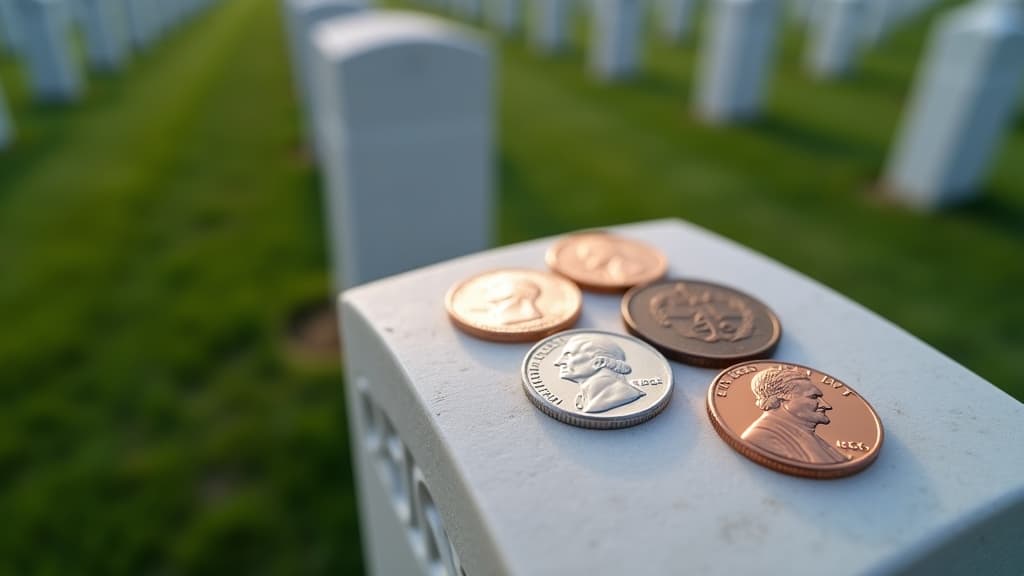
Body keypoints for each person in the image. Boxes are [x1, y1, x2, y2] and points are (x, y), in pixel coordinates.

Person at [741, 366, 848, 464]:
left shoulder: (810, 436)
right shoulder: (760, 438)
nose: (826, 405)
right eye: (813, 397)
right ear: (782, 398)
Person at [554, 335, 645, 413]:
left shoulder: (623, 394)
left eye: (568, 355)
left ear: (599, 362)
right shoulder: (585, 397)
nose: (558, 362)